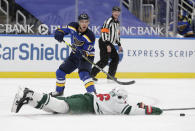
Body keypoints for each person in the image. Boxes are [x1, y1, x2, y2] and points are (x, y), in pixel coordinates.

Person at [11, 87, 163, 115]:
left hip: (85, 97)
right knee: (62, 107)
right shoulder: (119, 105)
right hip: (87, 104)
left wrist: (139, 104)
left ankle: (27, 100)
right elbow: (133, 111)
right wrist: (154, 110)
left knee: (54, 108)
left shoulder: (112, 97)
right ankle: (30, 93)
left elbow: (132, 106)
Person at [51, 13, 96, 97]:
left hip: (87, 56)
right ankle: (59, 92)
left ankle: (93, 94)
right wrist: (59, 33)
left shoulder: (90, 36)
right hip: (75, 54)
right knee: (60, 72)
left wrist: (82, 52)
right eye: (82, 21)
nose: (84, 24)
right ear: (79, 22)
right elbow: (61, 30)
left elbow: (86, 51)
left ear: (88, 23)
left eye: (86, 22)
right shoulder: (72, 26)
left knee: (84, 74)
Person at [90, 6, 123, 81]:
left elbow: (116, 35)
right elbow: (104, 32)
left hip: (110, 43)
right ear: (112, 12)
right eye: (115, 11)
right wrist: (107, 44)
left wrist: (119, 44)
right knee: (104, 60)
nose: (116, 13)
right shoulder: (109, 21)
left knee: (115, 58)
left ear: (119, 13)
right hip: (104, 42)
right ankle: (91, 74)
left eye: (118, 12)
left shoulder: (117, 22)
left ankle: (110, 76)